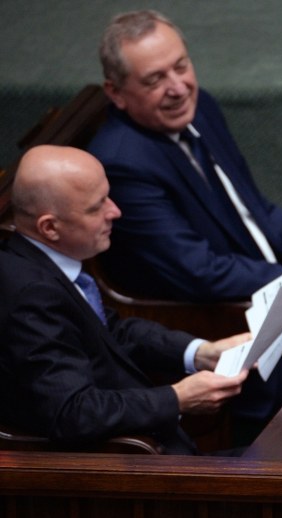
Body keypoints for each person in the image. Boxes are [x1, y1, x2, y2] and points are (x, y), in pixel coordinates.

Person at [87, 10, 282, 441]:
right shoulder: (123, 163)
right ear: (116, 92)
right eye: (154, 80)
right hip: (236, 324)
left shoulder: (199, 107)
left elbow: (255, 208)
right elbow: (199, 271)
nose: (178, 87)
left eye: (181, 66)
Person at [0, 145, 249, 455]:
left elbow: (110, 332)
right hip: (132, 475)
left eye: (108, 196)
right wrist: (177, 397)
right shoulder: (32, 295)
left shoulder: (46, 266)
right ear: (50, 227)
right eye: (96, 207)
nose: (115, 211)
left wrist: (200, 352)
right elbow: (73, 412)